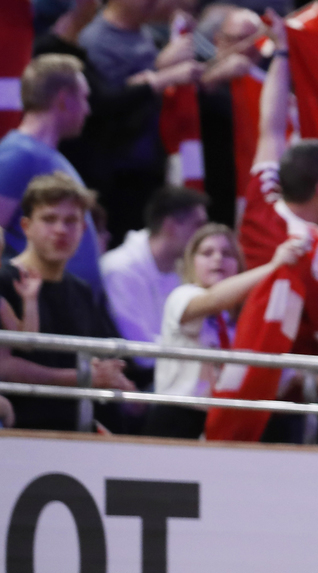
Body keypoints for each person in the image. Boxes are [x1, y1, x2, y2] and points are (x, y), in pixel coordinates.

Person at [207, 14, 318, 445]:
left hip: (241, 382)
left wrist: (282, 52)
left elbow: (270, 123)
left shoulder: (262, 198)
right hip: (285, 402)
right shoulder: (313, 251)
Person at [0, 172, 135, 431]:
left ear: (83, 229)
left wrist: (115, 381)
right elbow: (3, 367)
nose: (61, 230)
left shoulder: (81, 290)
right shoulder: (4, 280)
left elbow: (96, 362)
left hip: (75, 433)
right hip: (18, 435)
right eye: (49, 219)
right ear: (26, 227)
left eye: (71, 221)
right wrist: (83, 377)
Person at [145, 224, 305, 439]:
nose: (218, 259)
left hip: (223, 421)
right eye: (207, 253)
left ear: (238, 265)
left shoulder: (243, 320)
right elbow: (213, 300)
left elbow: (285, 377)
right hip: (177, 417)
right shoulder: (182, 295)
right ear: (192, 262)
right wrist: (273, 267)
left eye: (227, 253)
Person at [78, 0, 203, 242]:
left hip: (151, 163)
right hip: (116, 171)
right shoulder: (95, 39)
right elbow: (105, 105)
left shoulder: (149, 35)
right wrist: (161, 68)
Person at [0, 54, 102, 293]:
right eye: (84, 98)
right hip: (36, 304)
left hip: (68, 302)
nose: (88, 110)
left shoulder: (44, 155)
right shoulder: (17, 155)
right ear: (64, 99)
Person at [101, 185, 210, 368]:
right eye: (198, 225)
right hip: (136, 378)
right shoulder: (119, 269)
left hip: (174, 373)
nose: (204, 236)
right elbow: (141, 352)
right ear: (170, 226)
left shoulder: (184, 270)